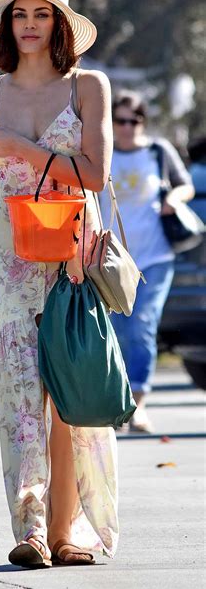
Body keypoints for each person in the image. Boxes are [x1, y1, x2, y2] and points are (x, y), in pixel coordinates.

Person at [0, 0, 116, 567]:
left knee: (71, 393)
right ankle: (32, 528)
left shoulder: (87, 87)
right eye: (21, 14)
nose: (31, 25)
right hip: (11, 258)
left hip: (74, 254)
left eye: (43, 15)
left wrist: (26, 149)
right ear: (8, 24)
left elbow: (95, 174)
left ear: (61, 24)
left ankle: (70, 531)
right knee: (19, 392)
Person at [100, 91, 195, 433]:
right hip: (111, 259)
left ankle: (138, 404)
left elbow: (186, 186)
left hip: (154, 257)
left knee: (141, 323)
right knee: (116, 329)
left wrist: (172, 196)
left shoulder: (158, 151)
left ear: (143, 121)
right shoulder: (103, 152)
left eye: (134, 120)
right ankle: (117, 401)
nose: (127, 128)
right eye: (121, 120)